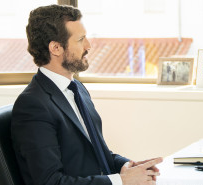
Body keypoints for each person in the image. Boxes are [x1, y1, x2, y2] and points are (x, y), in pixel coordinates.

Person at [11, 5, 162, 185]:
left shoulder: (77, 89)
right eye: (81, 39)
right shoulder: (33, 105)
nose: (88, 46)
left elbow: (96, 152)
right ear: (56, 48)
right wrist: (121, 181)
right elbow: (49, 182)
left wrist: (127, 167)